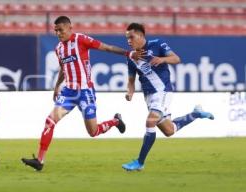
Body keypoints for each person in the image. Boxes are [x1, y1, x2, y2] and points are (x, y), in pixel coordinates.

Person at [21, 16, 143, 171]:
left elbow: (106, 47)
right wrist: (57, 86)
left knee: (93, 132)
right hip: (69, 93)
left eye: (61, 30)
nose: (58, 33)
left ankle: (115, 121)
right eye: (56, 30)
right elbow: (63, 69)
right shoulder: (58, 49)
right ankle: (40, 160)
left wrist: (128, 54)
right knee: (50, 121)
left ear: (69, 27)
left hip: (86, 93)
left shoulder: (81, 39)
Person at [121, 23, 214, 171]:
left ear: (141, 35)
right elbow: (131, 81)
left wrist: (162, 59)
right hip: (149, 97)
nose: (129, 41)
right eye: (127, 38)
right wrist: (129, 92)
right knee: (169, 130)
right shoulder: (132, 58)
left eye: (131, 37)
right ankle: (196, 114)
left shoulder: (157, 44)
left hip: (163, 91)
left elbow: (176, 58)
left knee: (150, 121)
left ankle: (139, 162)